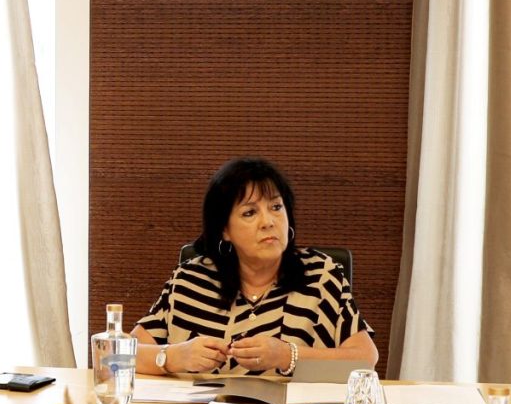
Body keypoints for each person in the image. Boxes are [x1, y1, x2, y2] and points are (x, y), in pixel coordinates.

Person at [133, 158, 376, 377]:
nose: (268, 222)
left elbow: (365, 359)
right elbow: (120, 355)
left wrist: (287, 355)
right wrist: (174, 356)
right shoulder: (189, 279)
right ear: (224, 230)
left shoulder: (320, 275)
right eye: (250, 212)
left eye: (276, 207)